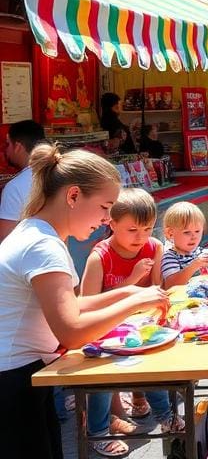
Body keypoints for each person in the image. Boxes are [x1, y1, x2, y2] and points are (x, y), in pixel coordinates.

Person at [0, 146, 169, 459]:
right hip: (11, 383)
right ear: (73, 195)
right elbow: (72, 331)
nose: (107, 219)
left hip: (24, 376)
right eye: (105, 207)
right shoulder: (43, 246)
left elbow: (74, 305)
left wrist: (130, 292)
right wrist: (133, 303)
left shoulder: (39, 234)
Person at [80, 189, 181, 451]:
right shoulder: (99, 256)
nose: (141, 237)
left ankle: (165, 417)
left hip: (140, 326)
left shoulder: (154, 247)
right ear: (111, 224)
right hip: (103, 330)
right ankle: (98, 432)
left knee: (151, 362)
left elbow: (157, 287)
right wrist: (132, 281)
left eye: (147, 228)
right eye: (132, 230)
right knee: (103, 374)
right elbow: (86, 304)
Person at [160, 200, 208, 288]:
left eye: (197, 231)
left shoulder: (207, 254)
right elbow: (171, 285)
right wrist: (194, 266)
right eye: (187, 232)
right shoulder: (170, 257)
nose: (194, 237)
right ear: (170, 233)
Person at [0, 120, 46, 241]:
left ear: (18, 147)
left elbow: (5, 239)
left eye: (8, 144)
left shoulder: (14, 188)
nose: (6, 151)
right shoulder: (58, 173)